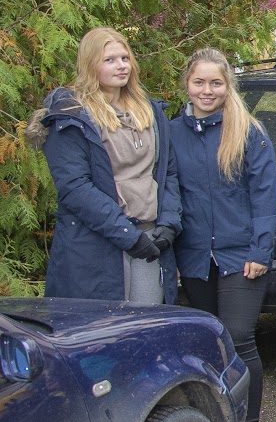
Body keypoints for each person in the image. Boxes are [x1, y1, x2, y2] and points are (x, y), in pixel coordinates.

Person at [168, 48, 276, 422]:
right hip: (194, 256)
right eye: (200, 82)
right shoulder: (172, 132)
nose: (208, 90)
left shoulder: (249, 131)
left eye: (216, 83)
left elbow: (266, 195)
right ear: (188, 84)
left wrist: (260, 250)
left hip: (241, 256)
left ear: (227, 85)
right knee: (208, 341)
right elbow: (170, 193)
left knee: (238, 336)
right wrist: (174, 251)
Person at [39, 27, 180, 304]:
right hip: (95, 244)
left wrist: (169, 223)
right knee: (104, 337)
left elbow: (168, 173)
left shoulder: (150, 111)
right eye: (110, 60)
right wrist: (127, 235)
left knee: (146, 331)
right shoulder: (71, 117)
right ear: (91, 65)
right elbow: (75, 188)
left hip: (149, 239)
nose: (121, 66)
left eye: (125, 58)